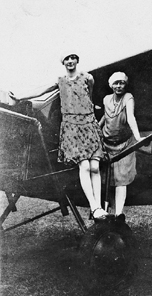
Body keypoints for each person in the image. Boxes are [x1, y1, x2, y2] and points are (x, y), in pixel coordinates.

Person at [9, 51, 108, 221]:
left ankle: (98, 207)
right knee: (84, 166)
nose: (70, 61)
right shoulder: (60, 80)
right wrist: (19, 97)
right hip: (72, 127)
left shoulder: (88, 77)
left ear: (77, 60)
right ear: (63, 62)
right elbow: (41, 91)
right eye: (66, 59)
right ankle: (94, 206)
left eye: (72, 58)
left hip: (88, 124)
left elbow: (89, 97)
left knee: (95, 167)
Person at [99, 72, 143, 222]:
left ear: (126, 85)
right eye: (116, 83)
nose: (119, 86)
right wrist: (96, 130)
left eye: (122, 83)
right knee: (108, 180)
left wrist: (138, 138)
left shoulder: (128, 97)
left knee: (121, 179)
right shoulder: (106, 99)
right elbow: (106, 116)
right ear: (111, 85)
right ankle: (105, 212)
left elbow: (131, 117)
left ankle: (118, 214)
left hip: (124, 145)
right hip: (107, 145)